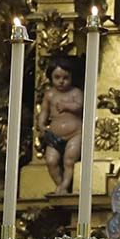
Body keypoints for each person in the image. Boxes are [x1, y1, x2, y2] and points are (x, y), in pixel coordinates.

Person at [35, 57, 83, 195]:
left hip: (75, 133)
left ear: (72, 77)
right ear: (51, 77)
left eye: (65, 78)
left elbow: (80, 106)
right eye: (57, 77)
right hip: (54, 135)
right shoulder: (49, 95)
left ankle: (66, 184)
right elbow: (44, 111)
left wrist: (66, 105)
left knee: (69, 159)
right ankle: (60, 184)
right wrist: (42, 125)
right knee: (51, 160)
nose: (61, 81)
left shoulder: (76, 93)